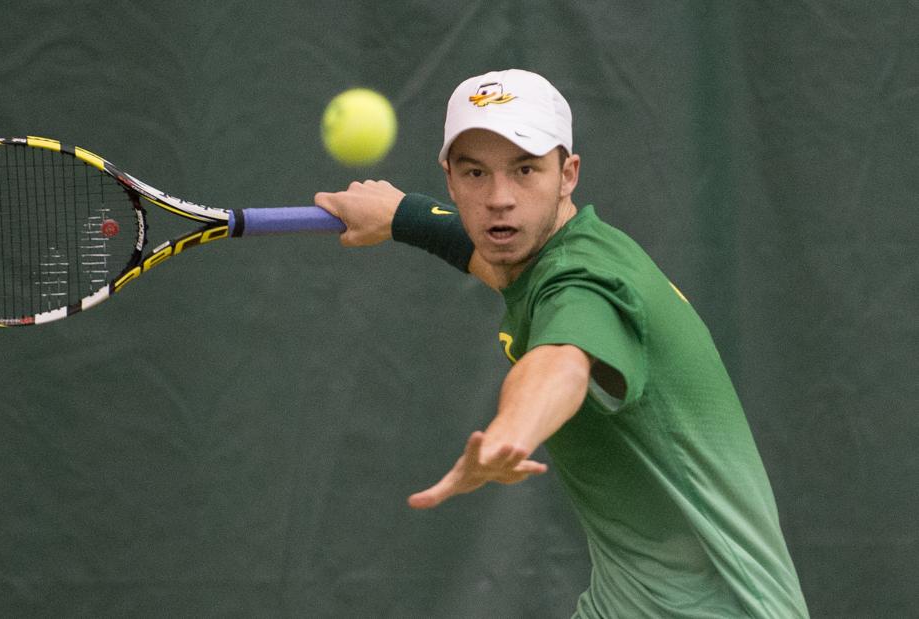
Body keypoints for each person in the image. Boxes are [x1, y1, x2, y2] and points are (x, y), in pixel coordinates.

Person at [315, 69, 809, 618]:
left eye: (525, 169)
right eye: (475, 172)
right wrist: (405, 216)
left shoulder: (585, 282)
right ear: (450, 181)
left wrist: (511, 433)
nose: (499, 198)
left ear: (567, 174)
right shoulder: (558, 251)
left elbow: (562, 364)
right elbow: (498, 265)